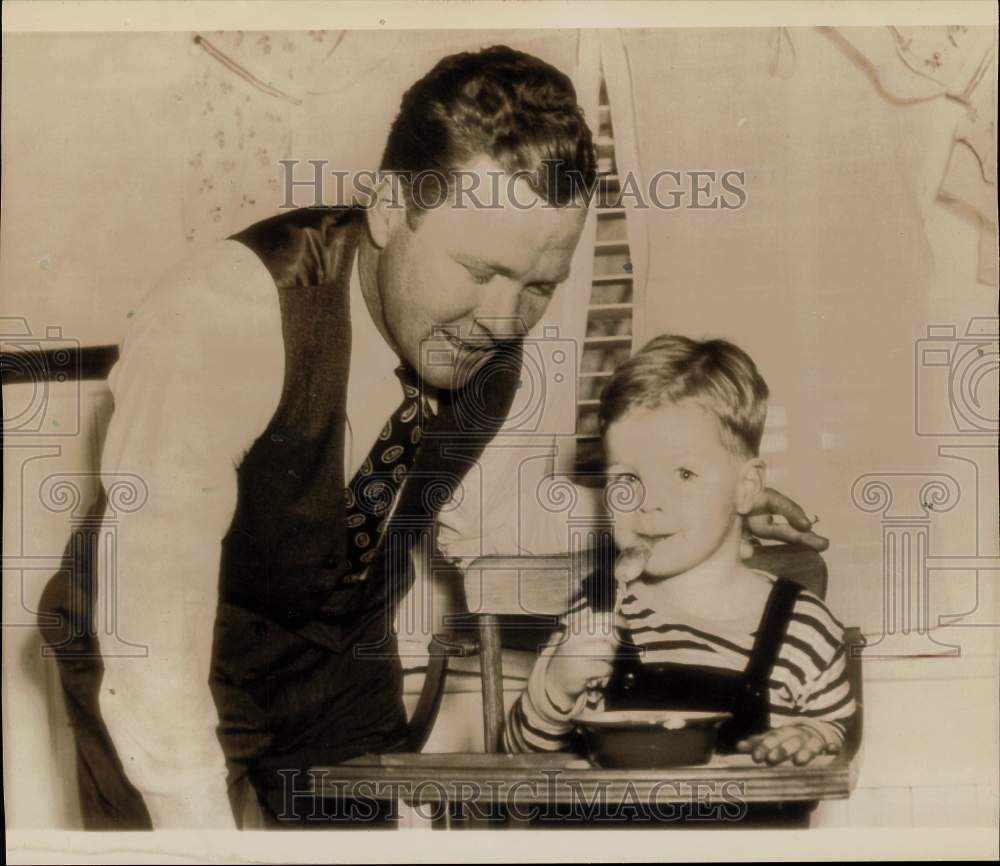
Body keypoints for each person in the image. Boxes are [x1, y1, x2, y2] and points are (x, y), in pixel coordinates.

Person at [39, 47, 827, 830]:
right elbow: (154, 631)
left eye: (539, 286)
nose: (504, 319)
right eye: (479, 270)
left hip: (333, 656)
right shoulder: (218, 322)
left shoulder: (483, 346)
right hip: (152, 639)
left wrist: (688, 503)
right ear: (389, 207)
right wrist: (197, 834)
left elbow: (480, 518)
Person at [504, 334, 857, 775]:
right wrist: (552, 690)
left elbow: (834, 730)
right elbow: (523, 759)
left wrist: (812, 737)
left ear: (746, 487)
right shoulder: (598, 613)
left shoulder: (804, 626)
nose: (647, 500)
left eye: (684, 473)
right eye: (627, 477)